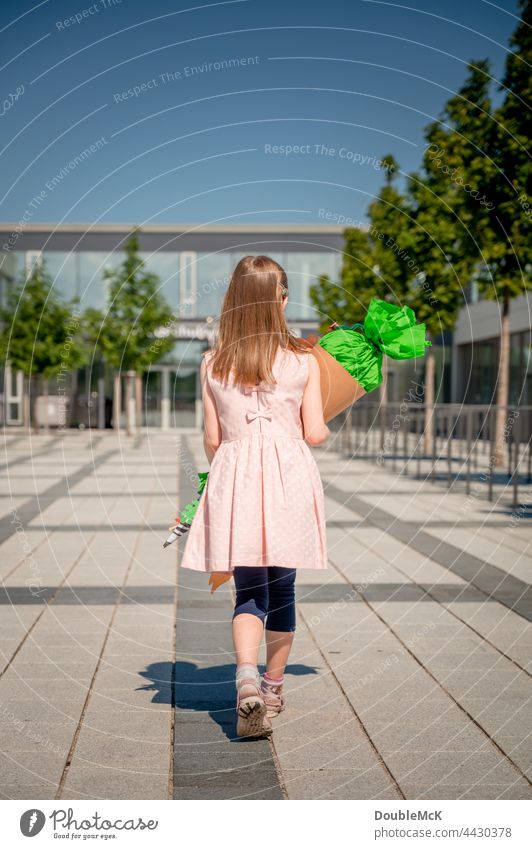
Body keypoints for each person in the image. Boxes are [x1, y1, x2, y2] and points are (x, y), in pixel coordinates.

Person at [179, 254, 330, 738]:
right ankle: (271, 688)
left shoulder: (212, 363)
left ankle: (243, 683)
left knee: (249, 591)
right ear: (280, 300)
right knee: (282, 590)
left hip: (237, 479)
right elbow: (316, 433)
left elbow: (211, 438)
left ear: (235, 303)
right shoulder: (305, 360)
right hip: (287, 481)